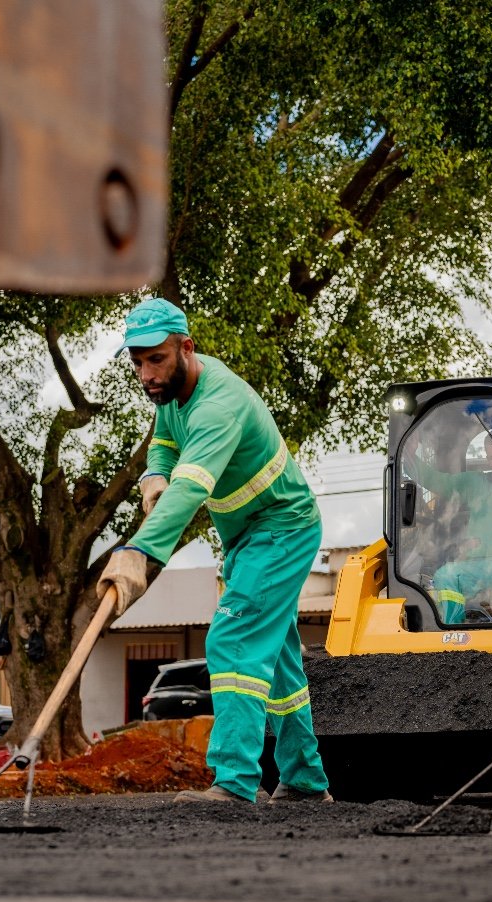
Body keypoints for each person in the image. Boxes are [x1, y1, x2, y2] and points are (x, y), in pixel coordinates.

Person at [97, 297, 331, 805]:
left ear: (186, 348)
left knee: (233, 639)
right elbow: (164, 441)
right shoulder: (174, 394)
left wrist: (141, 551)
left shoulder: (218, 406)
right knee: (282, 663)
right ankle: (307, 781)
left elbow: (192, 490)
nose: (146, 375)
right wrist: (153, 474)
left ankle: (235, 782)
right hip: (249, 537)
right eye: (136, 363)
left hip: (282, 528)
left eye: (155, 359)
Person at [411, 425, 492, 624]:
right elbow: (437, 481)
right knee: (446, 575)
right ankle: (450, 636)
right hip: (478, 567)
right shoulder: (476, 485)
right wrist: (410, 456)